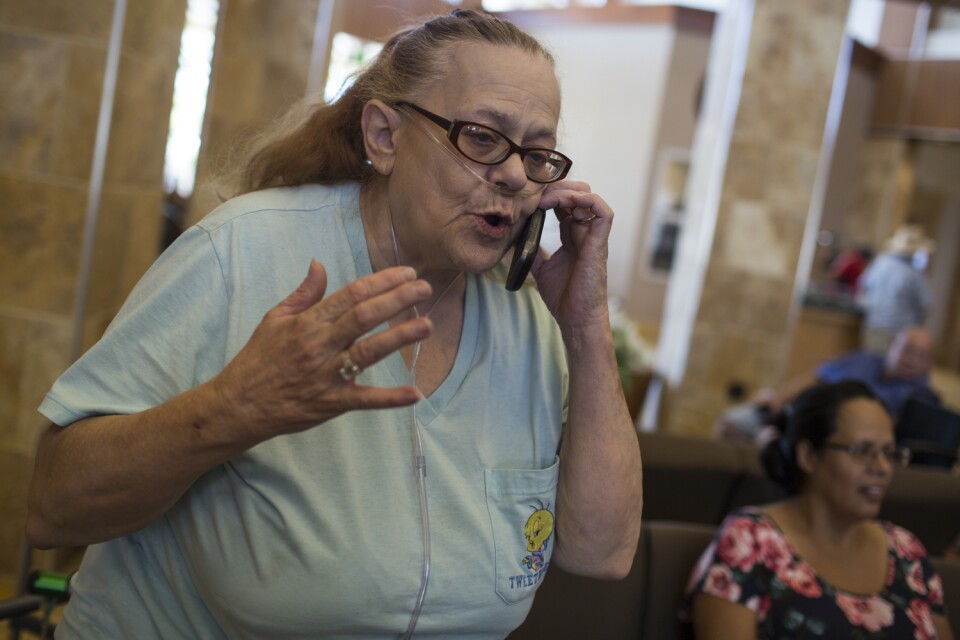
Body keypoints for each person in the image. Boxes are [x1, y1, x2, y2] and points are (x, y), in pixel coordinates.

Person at [25, 10, 642, 639]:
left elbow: (602, 554)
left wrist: (585, 324)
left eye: (537, 155)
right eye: (482, 137)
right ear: (384, 136)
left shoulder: (527, 319)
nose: (515, 175)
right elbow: (53, 508)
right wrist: (234, 408)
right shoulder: (242, 252)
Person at [686, 381, 954, 639]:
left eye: (889, 452)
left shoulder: (907, 552)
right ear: (809, 456)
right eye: (862, 451)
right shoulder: (751, 541)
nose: (882, 467)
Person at [714, 326, 940, 445]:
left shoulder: (921, 396)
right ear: (892, 346)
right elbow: (816, 376)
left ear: (929, 363)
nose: (913, 360)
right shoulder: (863, 359)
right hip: (800, 414)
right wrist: (778, 398)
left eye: (922, 356)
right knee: (730, 424)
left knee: (771, 442)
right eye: (908, 350)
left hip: (830, 437)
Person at [860, 224, 934, 353]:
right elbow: (926, 307)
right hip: (901, 333)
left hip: (874, 325)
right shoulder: (914, 274)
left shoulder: (880, 263)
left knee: (872, 365)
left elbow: (864, 287)